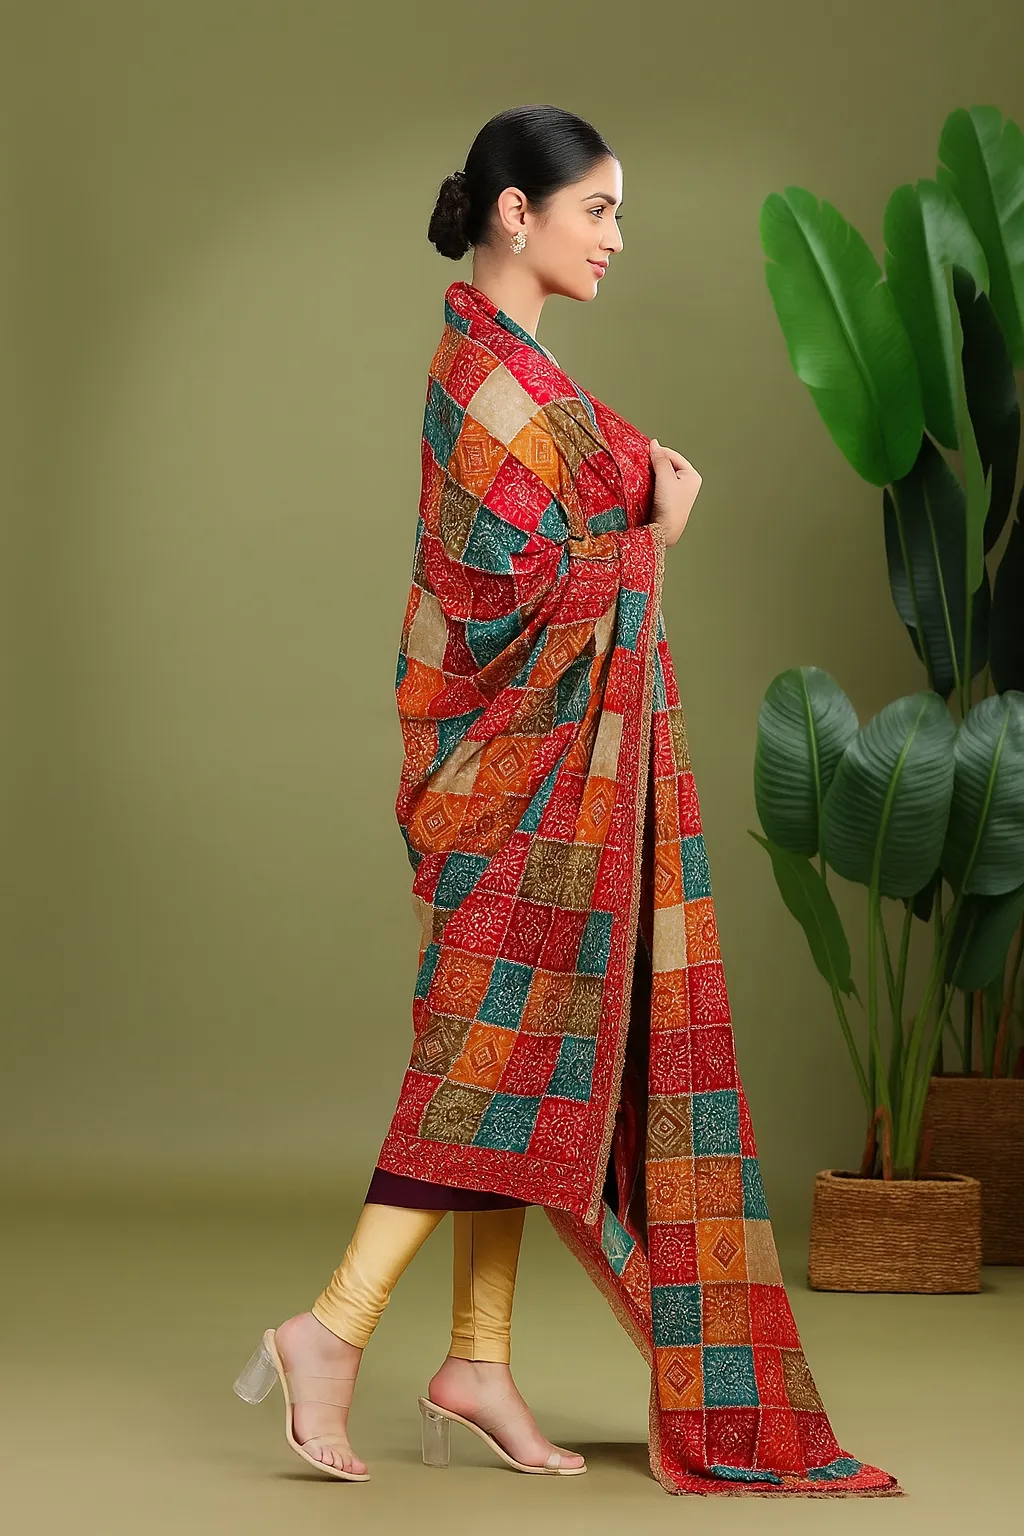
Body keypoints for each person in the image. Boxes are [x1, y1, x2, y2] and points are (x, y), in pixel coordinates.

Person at [233, 105, 901, 1500]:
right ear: (515, 213)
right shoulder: (482, 377)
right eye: (597, 209)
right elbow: (502, 595)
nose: (616, 238)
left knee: (525, 1064)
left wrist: (633, 515)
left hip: (552, 779)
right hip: (502, 775)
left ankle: (477, 1362)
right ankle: (329, 1331)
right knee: (480, 1063)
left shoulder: (524, 371)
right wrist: (654, 535)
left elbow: (561, 539)